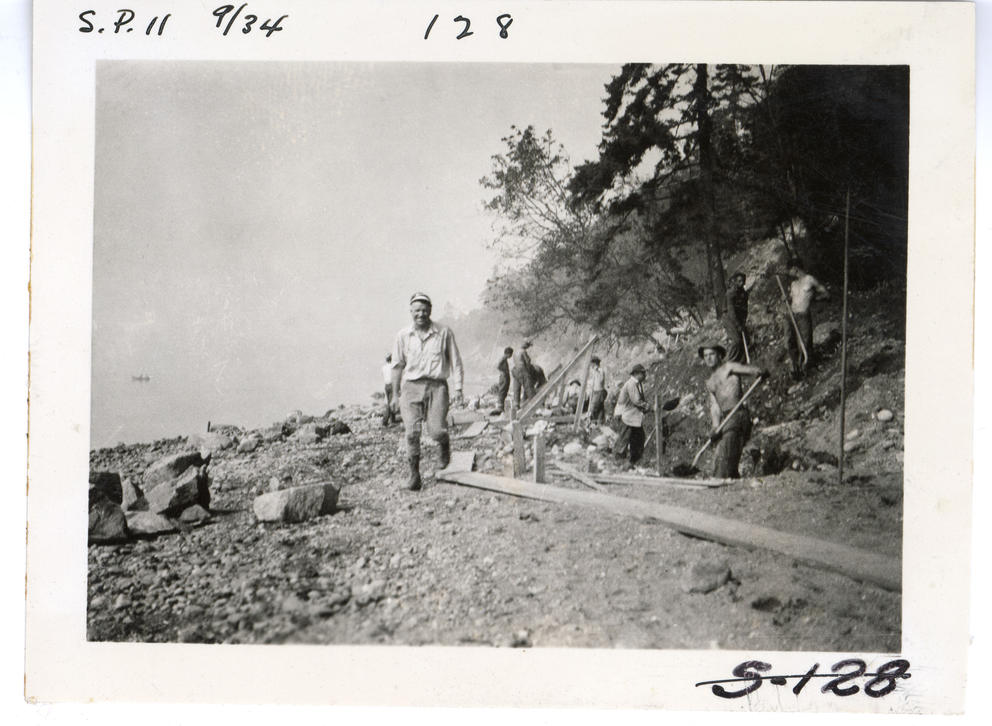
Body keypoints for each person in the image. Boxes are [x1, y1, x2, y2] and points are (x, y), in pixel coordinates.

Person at [390, 292, 464, 491]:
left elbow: (456, 361)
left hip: (437, 387)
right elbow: (397, 366)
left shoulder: (444, 332)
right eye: (416, 311)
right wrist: (395, 396)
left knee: (437, 430)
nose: (420, 314)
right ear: (411, 312)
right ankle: (414, 477)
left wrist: (458, 389)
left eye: (424, 310)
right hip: (411, 388)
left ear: (430, 311)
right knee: (411, 433)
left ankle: (444, 445)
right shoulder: (403, 335)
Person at [699, 343, 766, 479]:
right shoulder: (710, 382)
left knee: (725, 450)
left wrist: (758, 371)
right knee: (724, 452)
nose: (708, 358)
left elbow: (747, 370)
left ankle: (720, 478)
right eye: (705, 356)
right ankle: (733, 478)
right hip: (727, 418)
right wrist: (715, 426)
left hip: (738, 414)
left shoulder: (728, 368)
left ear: (719, 355)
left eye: (711, 354)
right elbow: (715, 406)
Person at [782, 260, 830, 378]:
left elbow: (826, 294)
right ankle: (795, 369)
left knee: (805, 342)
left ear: (795, 268)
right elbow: (791, 299)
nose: (789, 273)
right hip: (790, 316)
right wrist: (785, 298)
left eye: (790, 270)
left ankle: (806, 368)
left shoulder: (810, 280)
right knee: (789, 342)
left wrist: (814, 299)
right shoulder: (793, 284)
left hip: (803, 316)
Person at [612, 364, 651, 469]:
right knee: (624, 438)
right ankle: (618, 460)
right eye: (643, 373)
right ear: (637, 374)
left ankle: (633, 459)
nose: (645, 375)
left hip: (632, 416)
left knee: (636, 438)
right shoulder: (631, 384)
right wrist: (647, 407)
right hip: (626, 416)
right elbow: (636, 400)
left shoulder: (637, 384)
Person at [722, 272, 751, 363]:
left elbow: (745, 309)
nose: (741, 283)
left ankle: (741, 362)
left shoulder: (744, 294)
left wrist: (743, 322)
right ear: (735, 282)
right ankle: (727, 361)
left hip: (738, 318)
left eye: (743, 281)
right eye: (739, 281)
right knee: (737, 341)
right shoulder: (730, 294)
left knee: (746, 340)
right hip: (728, 318)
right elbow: (731, 312)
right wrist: (738, 326)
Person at [511, 341, 536, 408]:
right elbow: (527, 361)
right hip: (522, 370)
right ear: (526, 346)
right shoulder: (523, 351)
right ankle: (535, 404)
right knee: (528, 386)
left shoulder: (515, 352)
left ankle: (516, 404)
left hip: (516, 370)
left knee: (516, 388)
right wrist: (529, 370)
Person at [493, 347, 513, 415]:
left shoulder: (504, 358)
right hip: (504, 376)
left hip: (505, 375)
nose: (511, 356)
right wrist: (503, 372)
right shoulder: (503, 358)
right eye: (511, 354)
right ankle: (500, 407)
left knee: (504, 390)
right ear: (508, 353)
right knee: (502, 390)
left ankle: (501, 406)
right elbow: (498, 366)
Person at [587, 356, 607, 423]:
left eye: (591, 364)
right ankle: (600, 422)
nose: (591, 365)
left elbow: (600, 380)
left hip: (599, 391)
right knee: (600, 408)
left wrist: (596, 371)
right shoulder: (594, 371)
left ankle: (593, 422)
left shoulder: (600, 370)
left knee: (593, 407)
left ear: (594, 363)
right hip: (596, 391)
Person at [381, 354, 397, 427]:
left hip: (386, 385)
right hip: (392, 385)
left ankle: (392, 419)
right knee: (391, 403)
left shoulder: (383, 367)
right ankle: (385, 420)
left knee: (389, 402)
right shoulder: (392, 367)